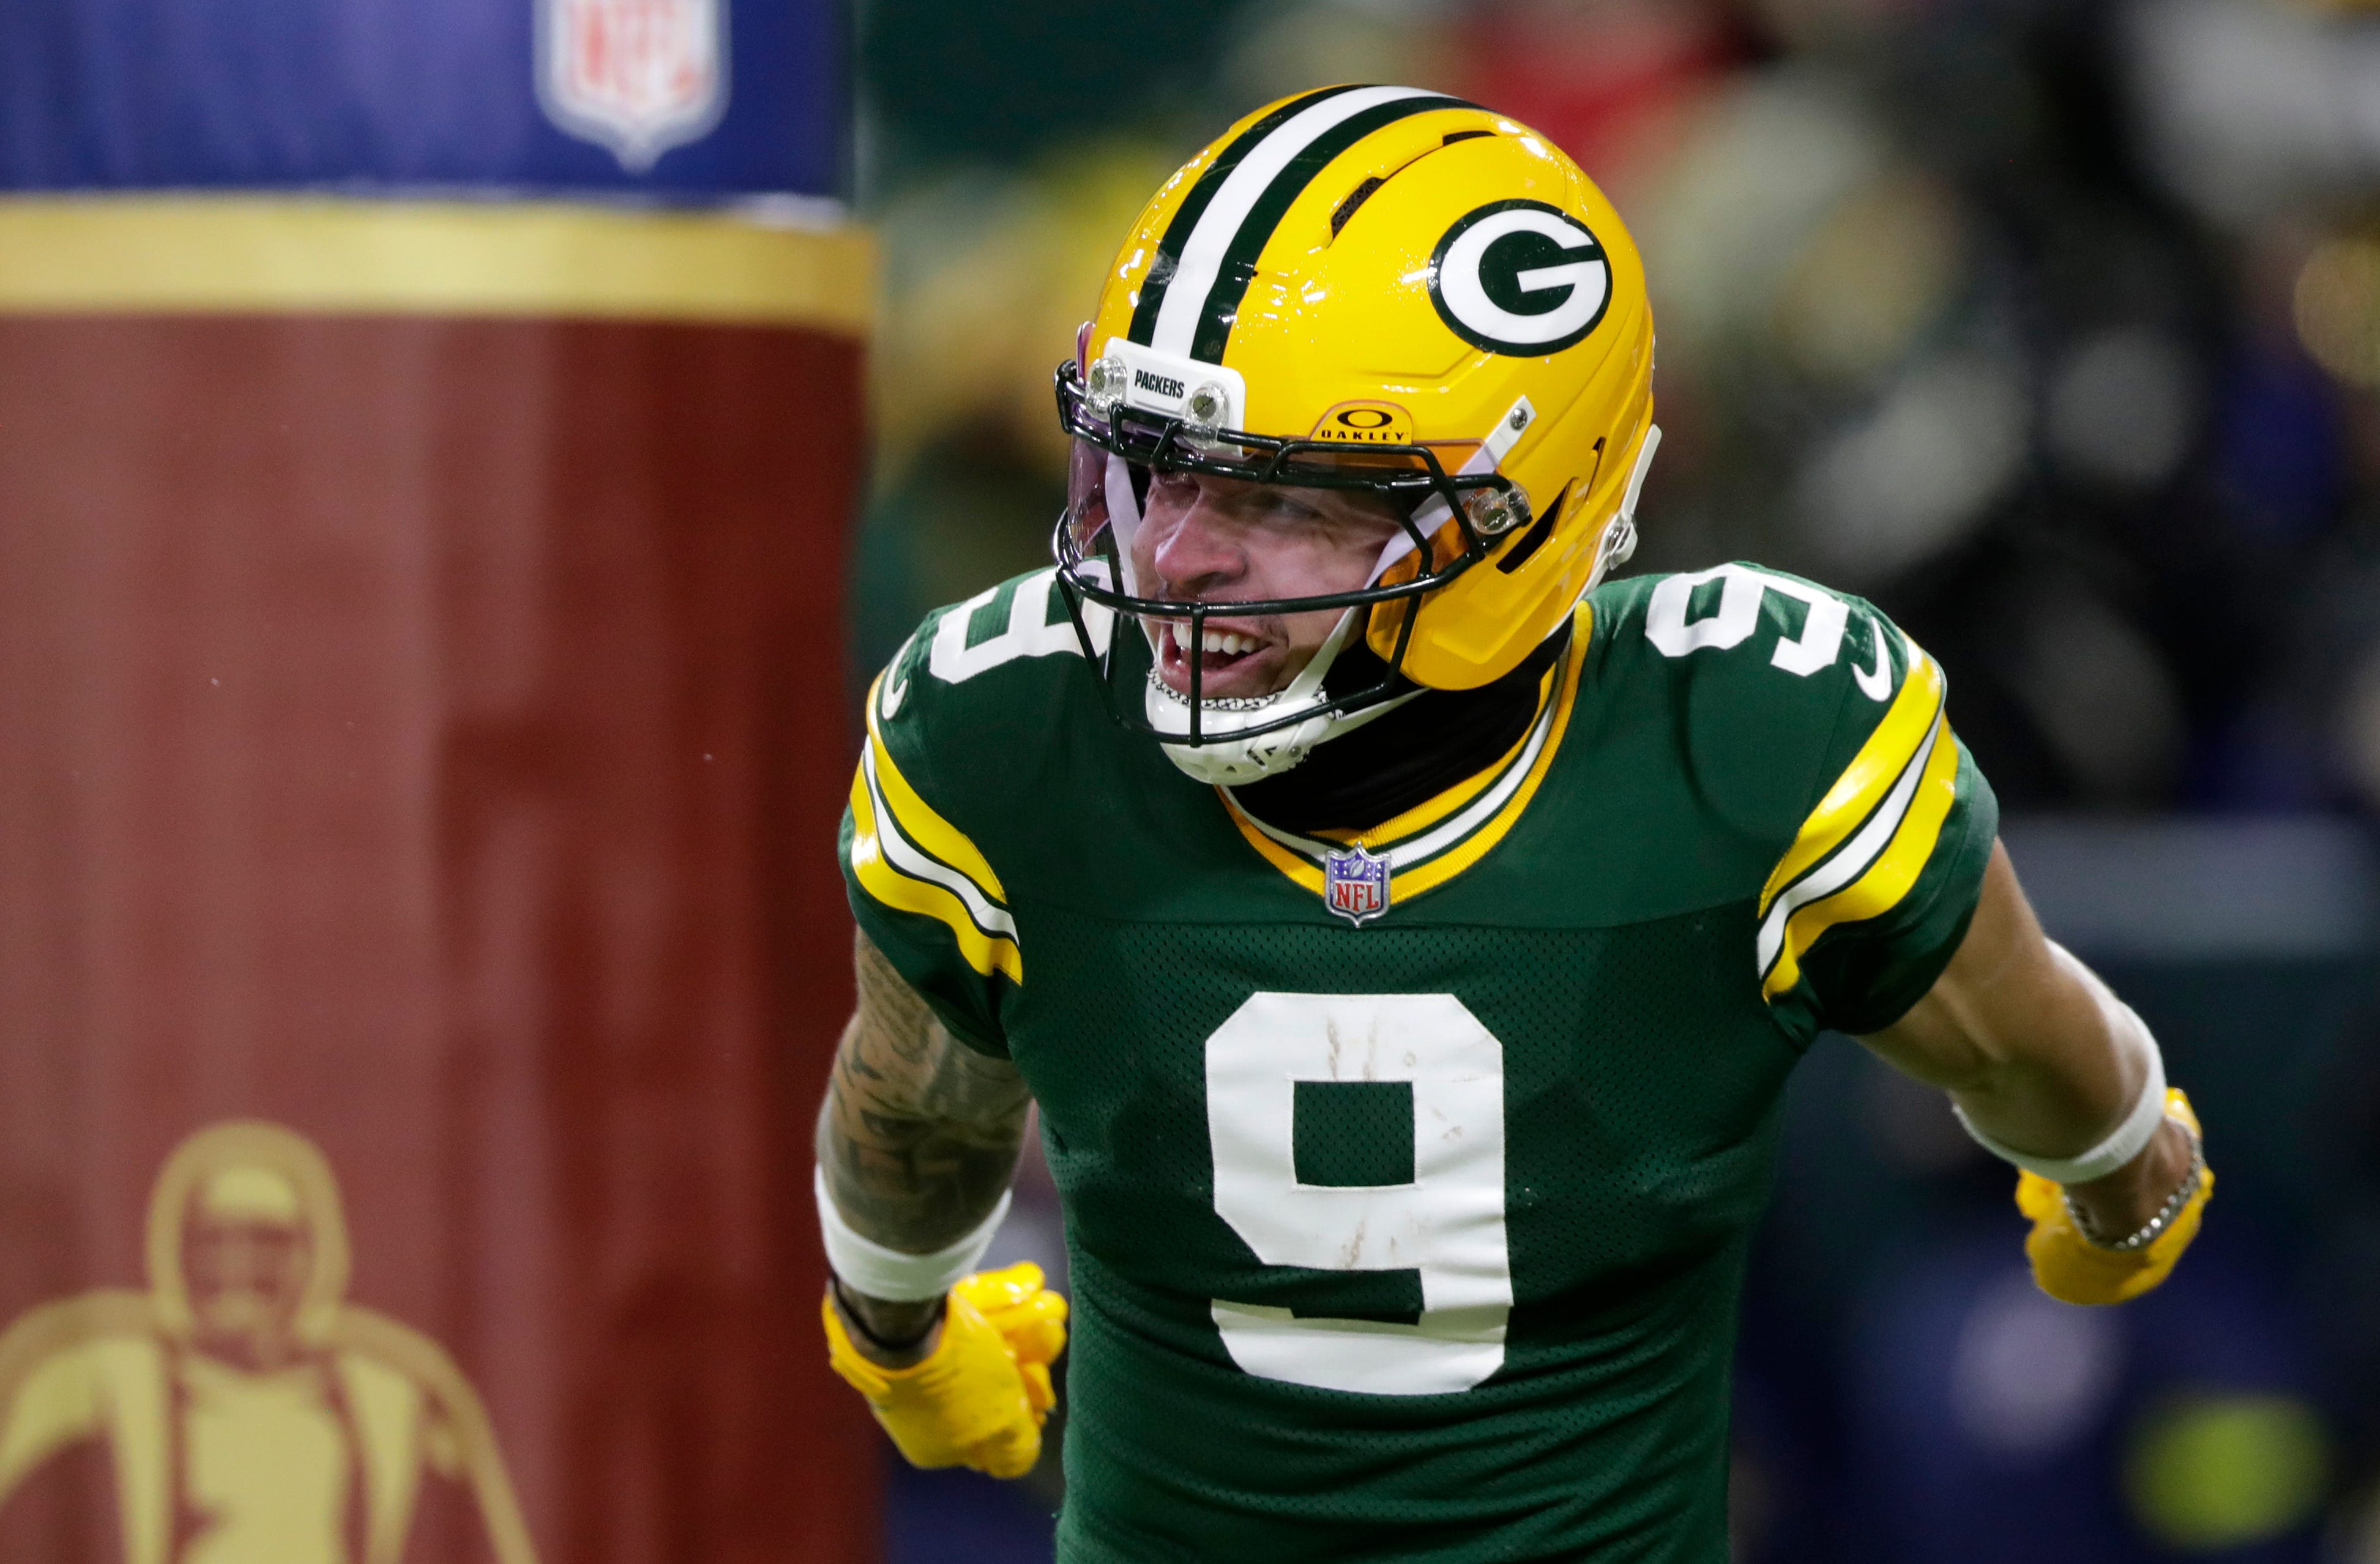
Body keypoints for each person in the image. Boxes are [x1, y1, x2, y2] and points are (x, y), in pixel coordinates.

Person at [815, 86, 2212, 1562]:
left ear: (1529, 513)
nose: (1173, 551)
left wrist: (898, 1327)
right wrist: (2121, 1171)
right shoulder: (1751, 734)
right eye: (1153, 460)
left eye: (1284, 497)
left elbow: (909, 1119)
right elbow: (2034, 1055)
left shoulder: (1003, 721)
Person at [0, 1120, 539, 1564]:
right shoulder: (101, 1381)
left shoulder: (395, 1399)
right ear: (177, 1250)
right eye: (216, 1239)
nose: (239, 1265)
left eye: (266, 1240)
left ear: (313, 1254)